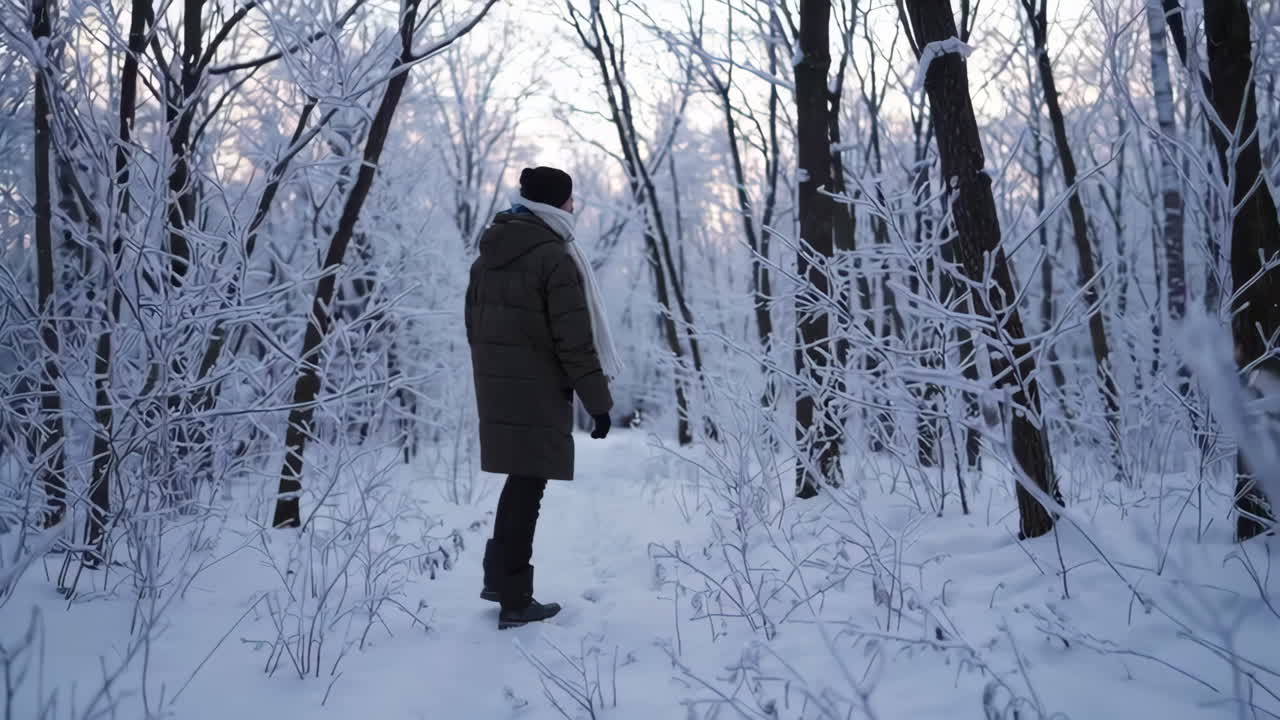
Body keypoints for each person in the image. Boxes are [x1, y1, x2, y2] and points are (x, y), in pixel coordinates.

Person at [465, 166, 624, 629]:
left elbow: (473, 324)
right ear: (558, 203)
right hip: (536, 388)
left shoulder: (488, 254)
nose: (575, 206)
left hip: (498, 384)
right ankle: (515, 600)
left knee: (520, 481)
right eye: (571, 199)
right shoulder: (553, 256)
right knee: (527, 487)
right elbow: (573, 339)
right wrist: (598, 403)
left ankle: (500, 580)